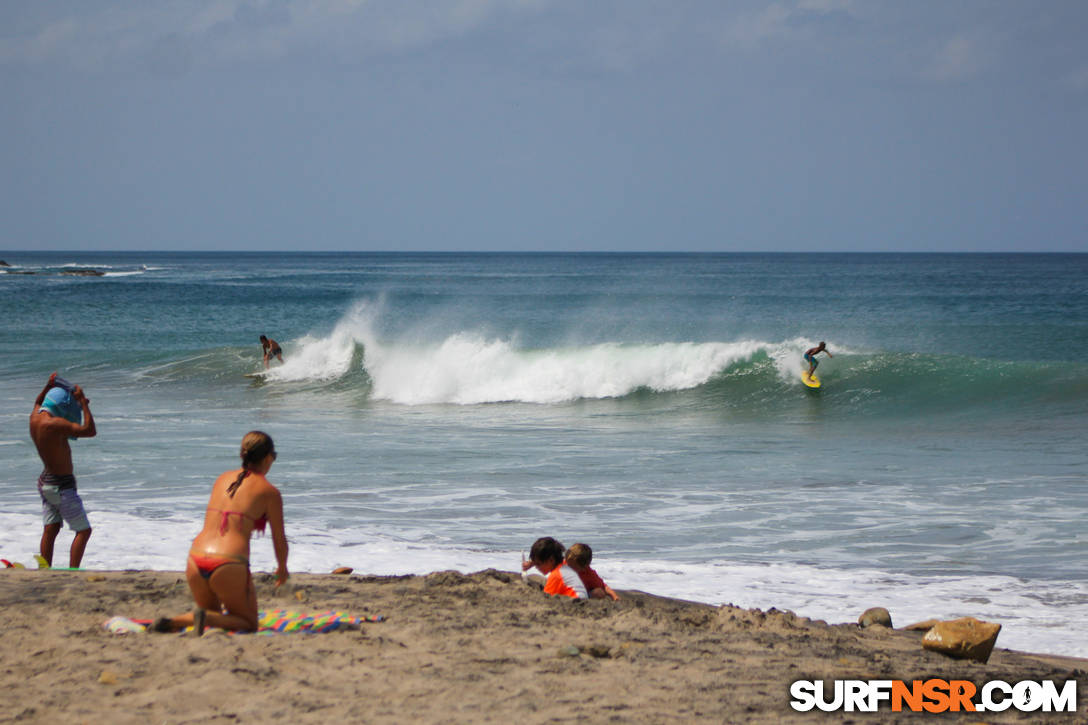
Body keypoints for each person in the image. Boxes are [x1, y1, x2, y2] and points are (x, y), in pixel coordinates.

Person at [153, 431, 288, 634]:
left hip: (195, 558)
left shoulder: (222, 479)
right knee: (249, 623)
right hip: (228, 562)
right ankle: (202, 616)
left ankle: (174, 621)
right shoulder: (269, 492)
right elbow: (279, 539)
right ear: (268, 457)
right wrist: (282, 567)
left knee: (214, 615)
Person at [29, 373, 96, 568]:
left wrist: (48, 385)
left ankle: (45, 568)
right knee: (84, 531)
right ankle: (73, 571)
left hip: (46, 481)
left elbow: (38, 401)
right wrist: (84, 403)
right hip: (61, 485)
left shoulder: (35, 418)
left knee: (51, 528)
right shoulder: (54, 424)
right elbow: (89, 430)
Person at [521, 537, 587, 599]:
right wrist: (532, 563)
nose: (536, 567)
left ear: (551, 560)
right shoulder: (563, 566)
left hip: (575, 602)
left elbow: (546, 598)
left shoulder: (555, 576)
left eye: (538, 564)